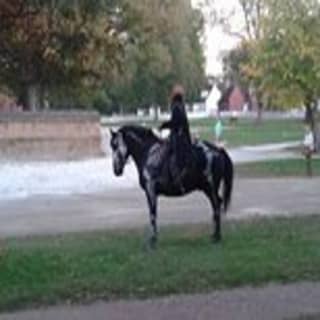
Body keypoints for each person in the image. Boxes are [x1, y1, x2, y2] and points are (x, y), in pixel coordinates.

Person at [159, 85, 192, 191]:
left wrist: (164, 125)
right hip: (182, 134)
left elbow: (176, 122)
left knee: (169, 154)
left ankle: (175, 178)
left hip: (178, 136)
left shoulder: (176, 106)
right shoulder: (181, 105)